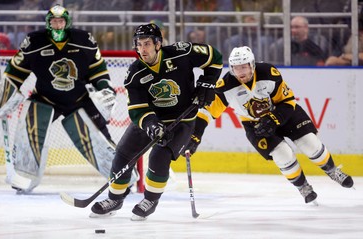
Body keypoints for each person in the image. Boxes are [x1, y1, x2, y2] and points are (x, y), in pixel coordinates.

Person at [184, 46, 354, 204]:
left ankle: (332, 171)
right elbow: (206, 113)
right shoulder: (225, 87)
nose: (240, 72)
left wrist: (273, 119)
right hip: (254, 124)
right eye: (236, 68)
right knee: (283, 155)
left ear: (252, 65)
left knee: (310, 144)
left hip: (285, 113)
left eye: (244, 66)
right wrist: (194, 136)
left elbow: (288, 101)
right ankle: (303, 186)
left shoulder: (268, 73)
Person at [90, 23, 223, 220]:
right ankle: (115, 198)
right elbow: (137, 109)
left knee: (159, 156)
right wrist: (151, 125)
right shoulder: (135, 72)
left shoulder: (181, 53)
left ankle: (150, 199)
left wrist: (207, 82)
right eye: (138, 44)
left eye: (146, 44)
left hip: (182, 120)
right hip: (152, 119)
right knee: (124, 152)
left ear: (158, 44)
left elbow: (215, 57)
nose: (142, 49)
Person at [0, 5, 118, 193]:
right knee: (29, 131)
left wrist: (105, 88)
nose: (57, 25)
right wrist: (3, 94)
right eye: (54, 22)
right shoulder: (34, 42)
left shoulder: (84, 40)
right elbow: (15, 73)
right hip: (45, 98)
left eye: (61, 21)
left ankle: (121, 174)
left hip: (79, 99)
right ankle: (25, 176)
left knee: (100, 140)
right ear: (48, 23)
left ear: (67, 22)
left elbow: (98, 71)